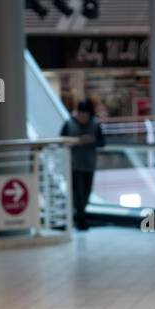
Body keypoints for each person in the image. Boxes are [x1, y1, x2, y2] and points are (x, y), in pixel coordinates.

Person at [60, 98, 105, 231]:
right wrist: (73, 142)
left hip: (89, 164)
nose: (83, 116)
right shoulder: (69, 124)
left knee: (86, 192)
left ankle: (80, 217)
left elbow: (102, 142)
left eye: (86, 113)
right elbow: (61, 140)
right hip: (74, 164)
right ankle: (79, 219)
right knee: (77, 192)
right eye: (81, 113)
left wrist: (92, 140)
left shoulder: (95, 125)